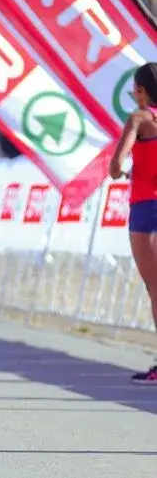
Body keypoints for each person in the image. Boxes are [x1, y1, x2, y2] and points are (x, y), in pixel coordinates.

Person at [108, 61, 157, 385]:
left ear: (140, 91)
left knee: (156, 288)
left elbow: (116, 163)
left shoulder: (140, 118)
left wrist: (123, 171)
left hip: (146, 208)